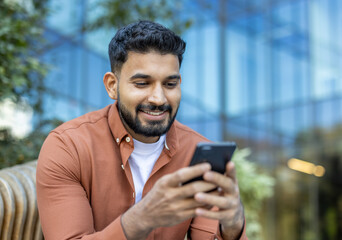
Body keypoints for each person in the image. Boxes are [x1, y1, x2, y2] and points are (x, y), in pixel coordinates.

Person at [36, 20, 247, 240]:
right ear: (112, 86)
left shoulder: (199, 152)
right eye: (142, 83)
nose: (159, 99)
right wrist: (143, 217)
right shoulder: (68, 147)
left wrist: (232, 228)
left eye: (170, 84)